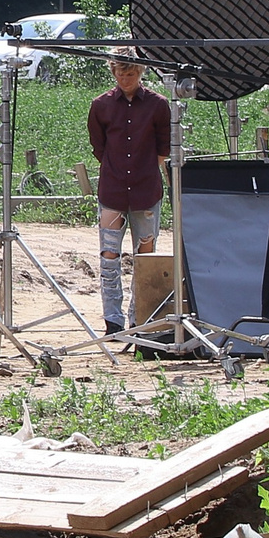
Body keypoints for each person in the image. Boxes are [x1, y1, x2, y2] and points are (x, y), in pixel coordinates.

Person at [88, 52, 171, 335]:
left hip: (146, 189)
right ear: (113, 73)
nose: (126, 80)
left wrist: (143, 168)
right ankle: (113, 318)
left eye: (131, 75)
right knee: (109, 255)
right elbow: (98, 147)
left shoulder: (158, 105)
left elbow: (164, 148)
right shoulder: (101, 105)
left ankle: (140, 316)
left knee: (145, 256)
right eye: (121, 75)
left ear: (141, 73)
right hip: (112, 190)